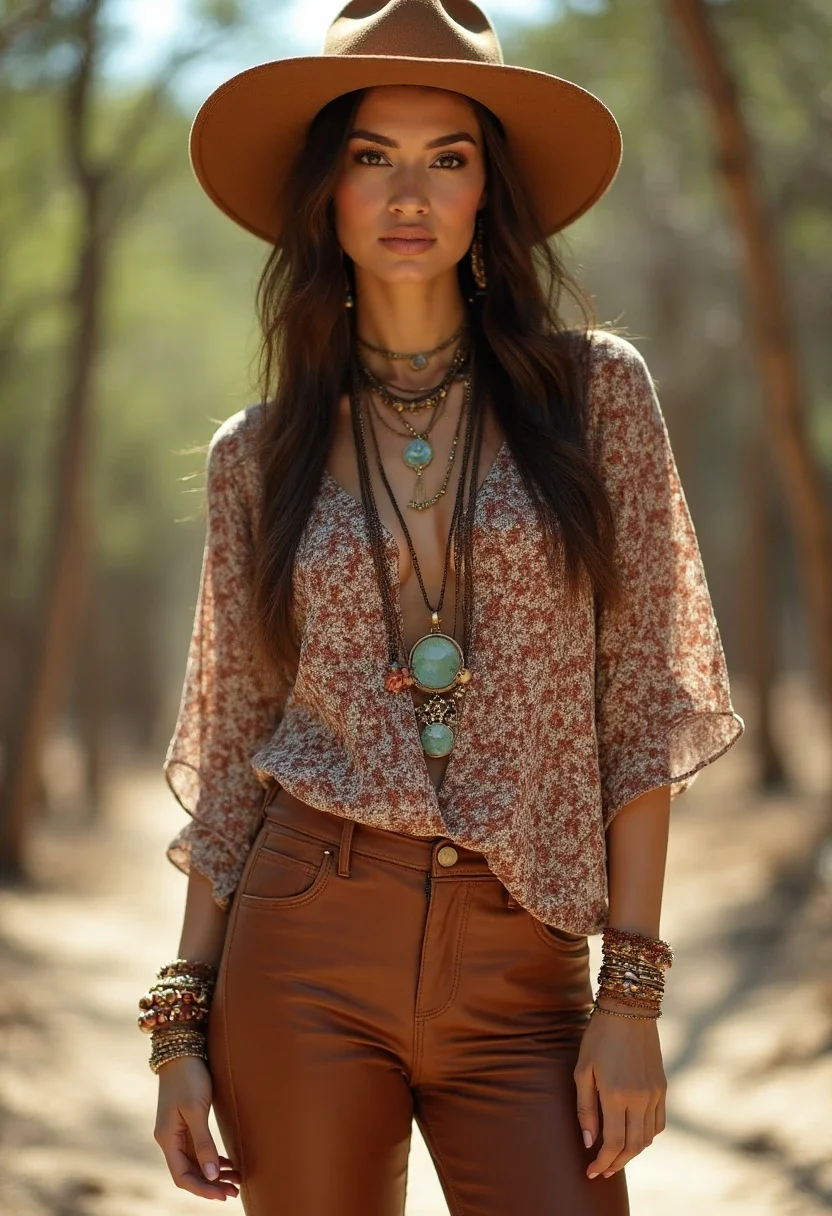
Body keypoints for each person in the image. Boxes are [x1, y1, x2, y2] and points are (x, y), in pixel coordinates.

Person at [139, 2, 745, 1212]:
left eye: (446, 158)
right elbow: (234, 742)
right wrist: (178, 1024)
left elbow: (636, 702)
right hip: (302, 942)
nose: (407, 193)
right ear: (326, 192)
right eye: (372, 157)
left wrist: (629, 993)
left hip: (526, 965)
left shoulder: (594, 397)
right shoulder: (255, 457)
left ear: (486, 196)